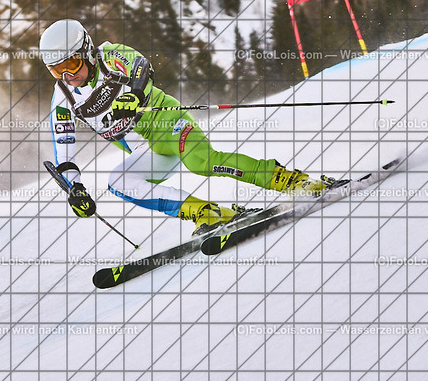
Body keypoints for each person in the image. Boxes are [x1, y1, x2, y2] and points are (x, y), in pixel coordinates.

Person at [40, 19, 332, 236]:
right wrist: (75, 188)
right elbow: (64, 154)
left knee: (201, 162)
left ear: (87, 51)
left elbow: (141, 66)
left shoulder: (109, 56)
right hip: (147, 148)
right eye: (56, 70)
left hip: (167, 122)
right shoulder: (63, 99)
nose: (67, 75)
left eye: (72, 64)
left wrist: (135, 95)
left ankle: (292, 181)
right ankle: (208, 213)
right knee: (119, 182)